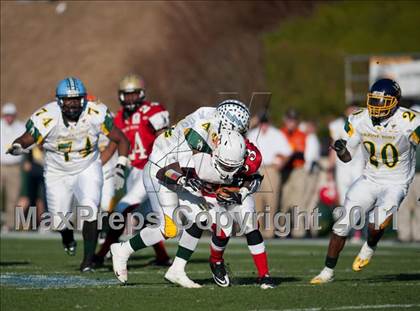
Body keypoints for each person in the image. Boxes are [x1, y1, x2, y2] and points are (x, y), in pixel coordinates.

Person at [110, 99, 251, 287]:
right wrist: (187, 180)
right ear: (228, 123)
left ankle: (177, 270)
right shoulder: (201, 132)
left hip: (183, 170)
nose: (239, 135)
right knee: (170, 228)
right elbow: (169, 169)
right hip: (162, 170)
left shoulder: (214, 122)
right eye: (238, 130)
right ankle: (122, 249)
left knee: (207, 218)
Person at [7, 77, 130, 272]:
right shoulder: (47, 116)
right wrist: (18, 145)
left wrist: (121, 167)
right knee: (58, 220)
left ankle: (88, 261)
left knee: (90, 208)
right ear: (59, 101)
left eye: (76, 99)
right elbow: (27, 137)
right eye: (68, 99)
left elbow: (122, 139)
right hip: (57, 171)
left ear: (83, 99)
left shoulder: (95, 112)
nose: (72, 103)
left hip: (87, 165)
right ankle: (67, 237)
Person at [310, 78, 419, 284]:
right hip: (369, 178)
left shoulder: (409, 120)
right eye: (374, 101)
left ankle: (369, 246)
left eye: (383, 101)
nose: (377, 107)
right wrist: (341, 150)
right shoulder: (360, 118)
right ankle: (327, 271)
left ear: (395, 102)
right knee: (342, 224)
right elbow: (347, 157)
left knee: (377, 222)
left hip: (396, 182)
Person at [166, 136, 275, 289]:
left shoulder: (248, 152)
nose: (227, 173)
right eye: (225, 165)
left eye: (233, 167)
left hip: (235, 194)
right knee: (222, 228)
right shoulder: (202, 147)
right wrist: (182, 179)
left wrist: (241, 192)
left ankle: (264, 275)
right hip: (208, 196)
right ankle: (216, 261)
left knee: (250, 224)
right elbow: (166, 171)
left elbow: (255, 179)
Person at [93, 74, 171, 266]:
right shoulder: (119, 117)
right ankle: (162, 257)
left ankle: (101, 254)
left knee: (122, 208)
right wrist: (93, 167)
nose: (129, 99)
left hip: (151, 168)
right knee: (145, 217)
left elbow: (165, 139)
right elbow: (113, 146)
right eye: (126, 95)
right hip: (134, 171)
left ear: (141, 94)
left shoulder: (152, 110)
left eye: (133, 94)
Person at [246, 112, 292, 239]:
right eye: (262, 122)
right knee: (256, 201)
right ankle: (258, 231)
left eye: (265, 122)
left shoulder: (277, 134)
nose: (264, 125)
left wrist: (282, 163)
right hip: (256, 169)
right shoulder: (253, 133)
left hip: (271, 169)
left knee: (271, 202)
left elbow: (287, 151)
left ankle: (270, 231)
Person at [328, 104, 365, 243]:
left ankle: (357, 232)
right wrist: (330, 168)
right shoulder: (337, 125)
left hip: (358, 164)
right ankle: (344, 231)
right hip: (342, 166)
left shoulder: (364, 123)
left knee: (358, 198)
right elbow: (333, 146)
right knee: (344, 199)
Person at [280, 109, 308, 238]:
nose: (291, 123)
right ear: (285, 121)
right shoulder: (280, 133)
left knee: (298, 202)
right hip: (284, 171)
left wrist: (287, 155)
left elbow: (299, 153)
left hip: (297, 170)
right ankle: (282, 231)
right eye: (289, 120)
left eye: (293, 120)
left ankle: (299, 232)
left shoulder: (301, 134)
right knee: (284, 201)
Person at [1, 102, 26, 232]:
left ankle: (9, 224)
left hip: (15, 167)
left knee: (13, 197)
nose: (8, 117)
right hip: (1, 165)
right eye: (6, 115)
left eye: (11, 115)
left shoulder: (20, 127)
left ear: (14, 115)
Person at [397, 104, 420, 242]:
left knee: (418, 206)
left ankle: (418, 235)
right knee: (403, 205)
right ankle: (404, 235)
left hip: (418, 174)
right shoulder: (404, 132)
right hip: (405, 174)